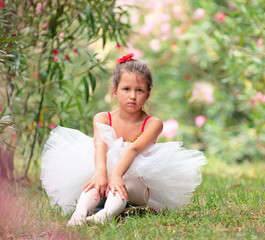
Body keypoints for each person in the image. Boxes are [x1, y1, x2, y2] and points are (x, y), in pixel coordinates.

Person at [41, 53, 207, 226]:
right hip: (106, 172)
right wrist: (101, 173)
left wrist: (116, 175)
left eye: (139, 90)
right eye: (126, 89)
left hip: (139, 181)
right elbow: (100, 145)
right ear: (115, 91)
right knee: (94, 183)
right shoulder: (103, 118)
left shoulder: (153, 124)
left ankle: (106, 214)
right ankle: (79, 213)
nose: (133, 96)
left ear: (148, 94)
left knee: (122, 184)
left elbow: (133, 149)